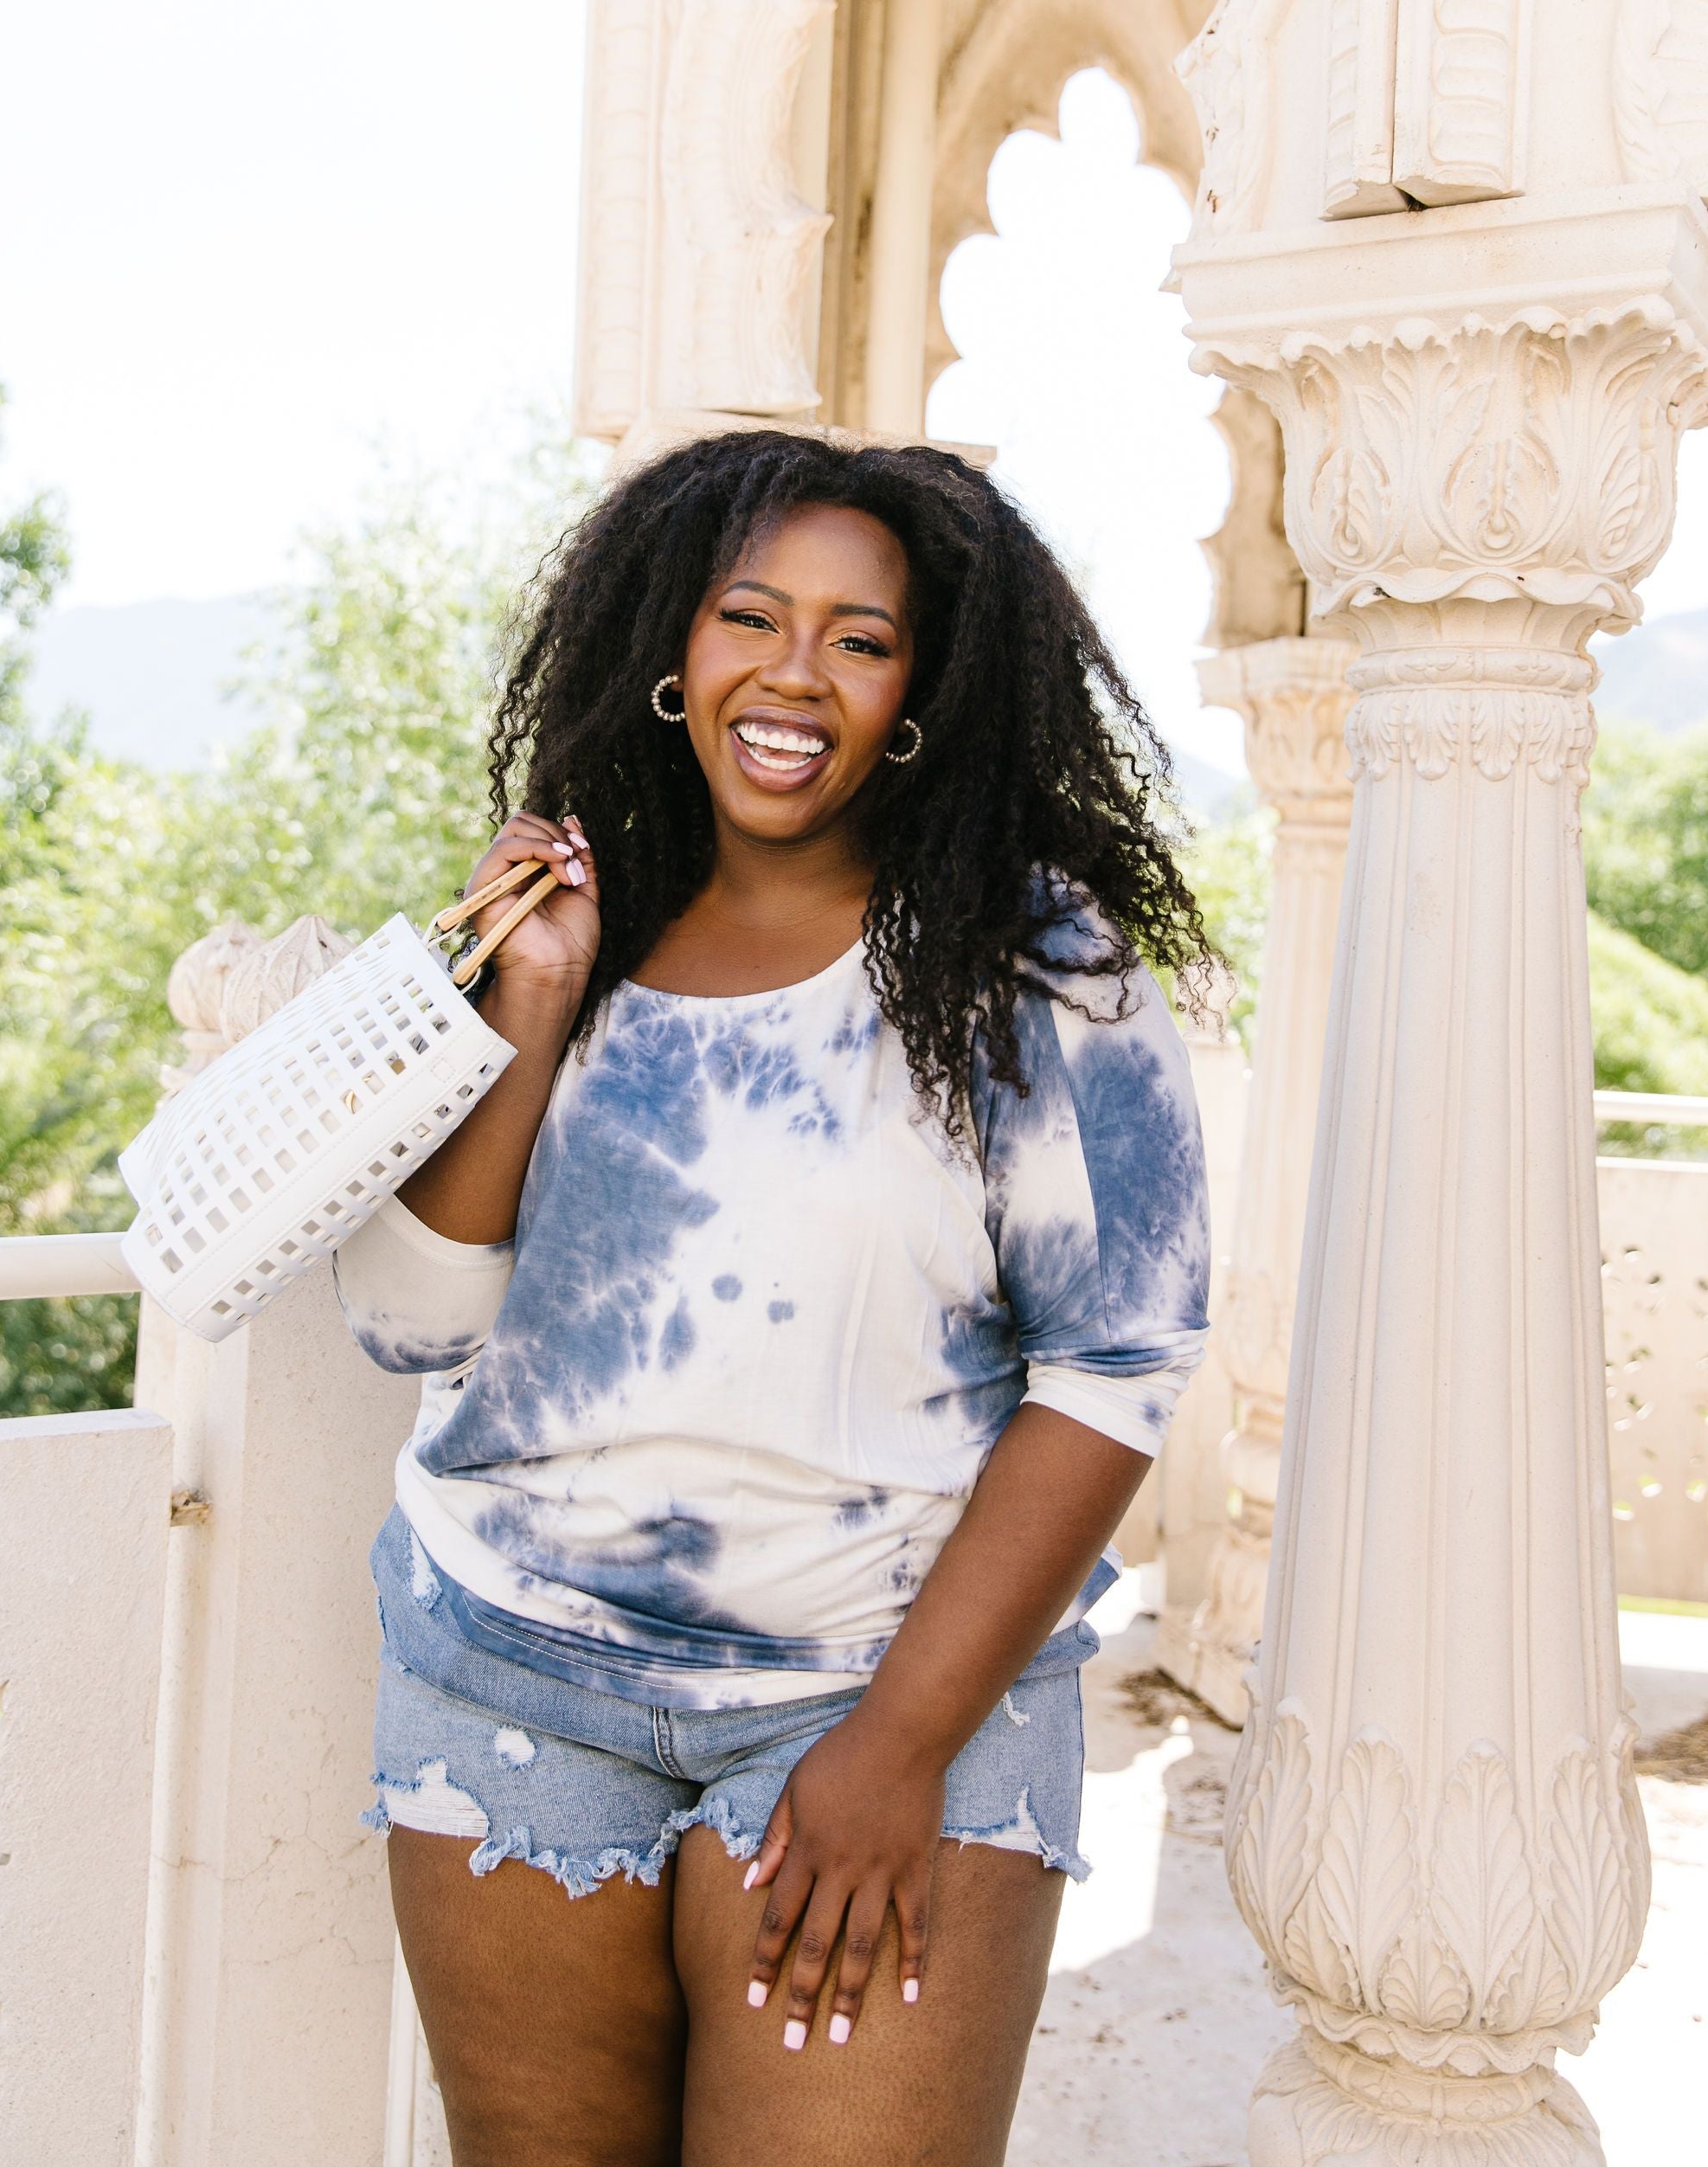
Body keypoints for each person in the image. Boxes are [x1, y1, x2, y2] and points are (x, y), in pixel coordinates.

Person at [335, 428, 1212, 2167]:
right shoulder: (578, 921)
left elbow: (1114, 1369)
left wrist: (899, 1747)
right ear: (674, 645)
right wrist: (532, 995)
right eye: (751, 615)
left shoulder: (1036, 965)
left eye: (859, 639)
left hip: (884, 1697)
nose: (794, 672)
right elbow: (412, 1326)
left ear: (923, 692)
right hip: (509, 1678)